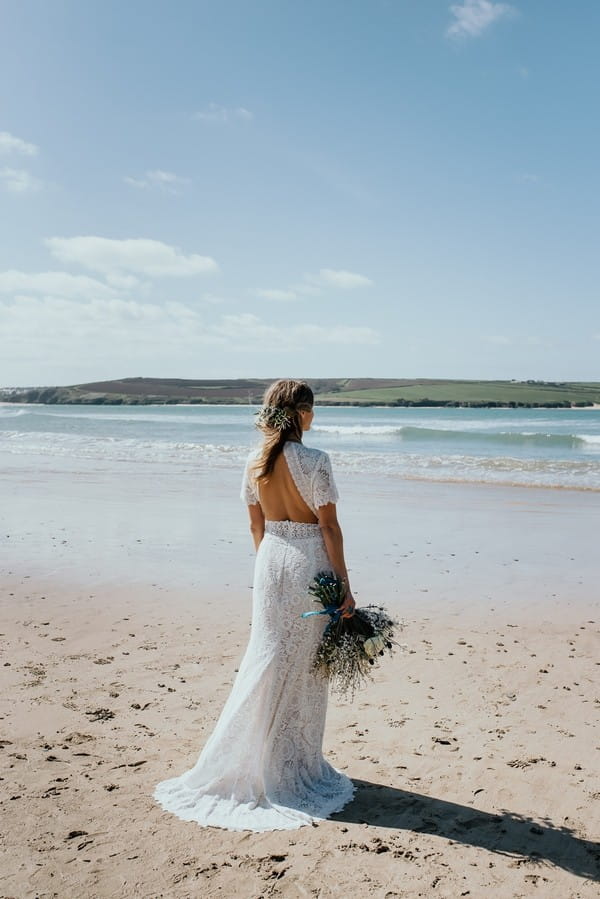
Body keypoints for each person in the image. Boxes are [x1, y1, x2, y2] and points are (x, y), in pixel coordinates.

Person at [152, 379, 356, 831]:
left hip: (270, 563)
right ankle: (289, 763)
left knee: (266, 656)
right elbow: (330, 528)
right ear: (303, 413)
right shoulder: (316, 461)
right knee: (303, 664)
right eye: (313, 410)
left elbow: (255, 527)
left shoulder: (254, 462)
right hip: (308, 563)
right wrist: (344, 584)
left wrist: (270, 567)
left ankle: (250, 756)